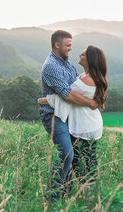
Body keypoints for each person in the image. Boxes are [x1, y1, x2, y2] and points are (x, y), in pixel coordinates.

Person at [39, 30, 98, 200]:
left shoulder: (67, 63)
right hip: (53, 116)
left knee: (75, 156)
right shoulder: (51, 66)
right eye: (68, 45)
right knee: (67, 154)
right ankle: (52, 197)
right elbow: (68, 94)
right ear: (57, 45)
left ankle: (66, 192)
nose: (71, 49)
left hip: (67, 115)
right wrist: (91, 103)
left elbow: (75, 86)